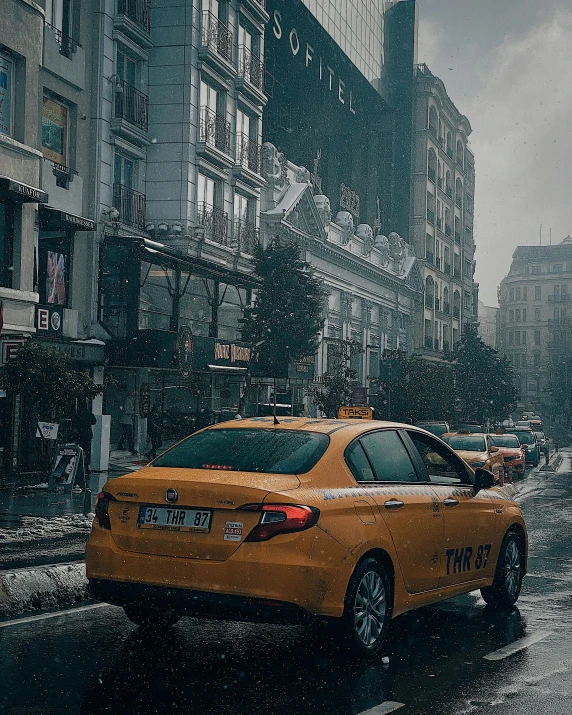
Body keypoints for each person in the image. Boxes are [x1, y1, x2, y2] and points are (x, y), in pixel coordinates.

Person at [72, 404, 96, 492]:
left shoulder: (77, 415)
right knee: (87, 451)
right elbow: (94, 421)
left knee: (80, 451)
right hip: (87, 435)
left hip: (80, 436)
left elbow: (74, 423)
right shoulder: (88, 414)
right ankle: (87, 466)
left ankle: (81, 466)